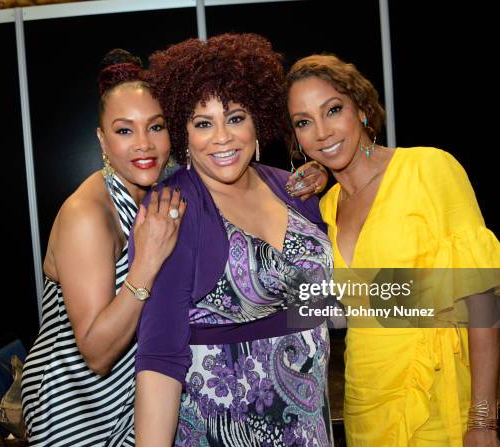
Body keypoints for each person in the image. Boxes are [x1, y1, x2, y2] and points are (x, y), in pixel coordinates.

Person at [285, 54, 500, 446]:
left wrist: (482, 421)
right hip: (365, 401)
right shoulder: (325, 207)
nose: (322, 132)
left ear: (361, 109)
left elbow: (484, 301)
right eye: (304, 122)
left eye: (333, 110)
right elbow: (334, 309)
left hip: (436, 396)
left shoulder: (429, 168)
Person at [128, 33, 337, 447]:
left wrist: (465, 302)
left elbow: (337, 296)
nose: (223, 137)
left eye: (236, 117)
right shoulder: (174, 208)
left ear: (257, 119)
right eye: (203, 123)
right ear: (183, 132)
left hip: (310, 430)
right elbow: (160, 358)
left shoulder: (291, 188)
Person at [20, 49, 187, 447]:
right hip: (73, 408)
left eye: (156, 127)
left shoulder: (161, 190)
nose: (144, 145)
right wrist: (145, 264)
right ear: (102, 139)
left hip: (132, 399)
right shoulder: (88, 215)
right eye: (124, 130)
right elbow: (95, 351)